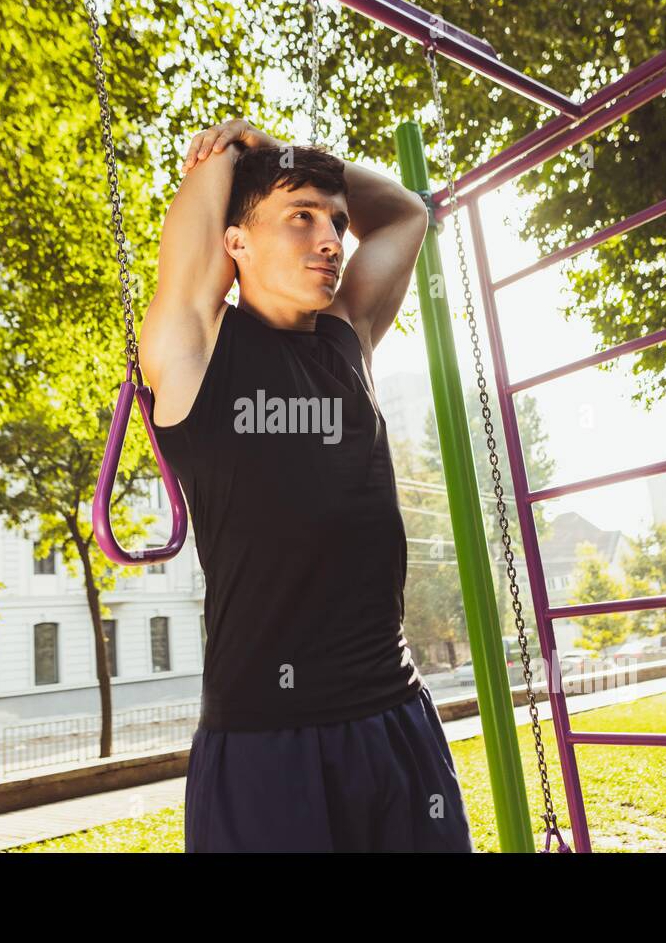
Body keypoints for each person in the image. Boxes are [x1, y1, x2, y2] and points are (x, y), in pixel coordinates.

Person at [141, 117, 473, 852]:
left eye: (335, 223)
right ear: (236, 245)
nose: (330, 239)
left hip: (396, 718)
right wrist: (237, 151)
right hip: (268, 743)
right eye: (301, 218)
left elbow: (407, 212)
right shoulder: (195, 342)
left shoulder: (347, 337)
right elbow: (200, 220)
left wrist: (287, 152)